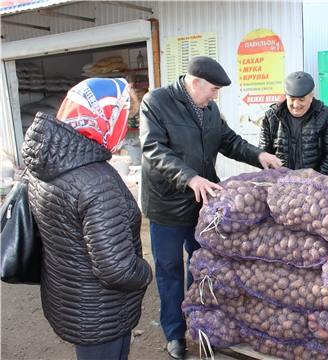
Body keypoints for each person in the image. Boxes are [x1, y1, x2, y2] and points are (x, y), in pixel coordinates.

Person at [138, 56, 282, 360]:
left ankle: (197, 322)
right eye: (213, 89)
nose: (215, 95)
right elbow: (153, 149)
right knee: (170, 270)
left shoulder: (209, 109)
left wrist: (259, 156)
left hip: (203, 204)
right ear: (195, 83)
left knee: (202, 266)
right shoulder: (156, 102)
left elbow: (228, 141)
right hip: (167, 204)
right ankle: (174, 333)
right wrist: (189, 178)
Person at [20, 78, 153, 360]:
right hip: (100, 311)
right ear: (106, 118)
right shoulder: (96, 180)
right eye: (124, 117)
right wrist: (145, 272)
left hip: (67, 296)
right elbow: (117, 269)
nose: (127, 125)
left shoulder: (46, 161)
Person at [258, 71, 328, 175]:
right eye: (292, 99)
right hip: (280, 182)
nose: (296, 105)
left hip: (313, 182)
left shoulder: (324, 114)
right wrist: (274, 178)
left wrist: (317, 179)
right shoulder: (272, 116)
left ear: (311, 97)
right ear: (286, 96)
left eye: (302, 100)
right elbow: (263, 153)